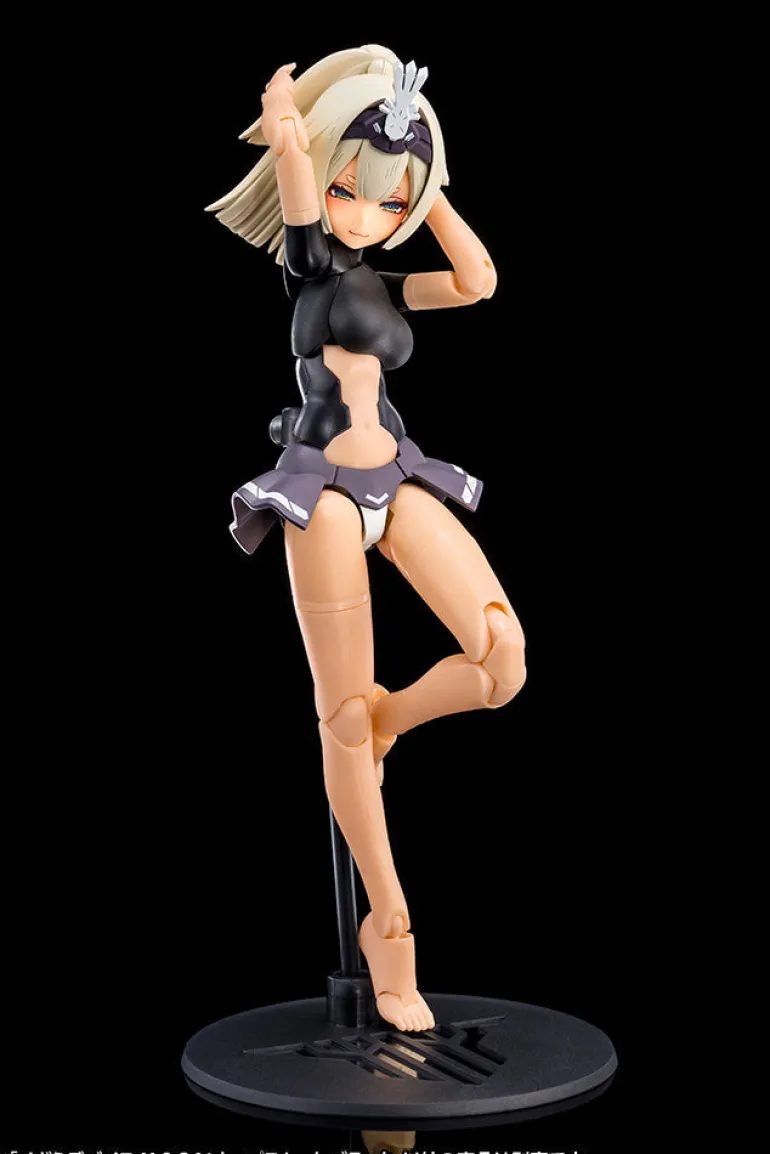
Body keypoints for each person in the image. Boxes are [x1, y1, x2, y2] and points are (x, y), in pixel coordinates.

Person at [206, 45, 527, 1033]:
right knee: (338, 716)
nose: (363, 213)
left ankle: (392, 720)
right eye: (354, 189)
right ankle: (390, 932)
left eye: (383, 198)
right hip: (324, 494)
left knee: (500, 657)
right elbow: (307, 206)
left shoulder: (386, 283)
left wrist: (425, 187)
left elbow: (476, 279)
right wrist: (291, 140)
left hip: (398, 474)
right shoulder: (309, 264)